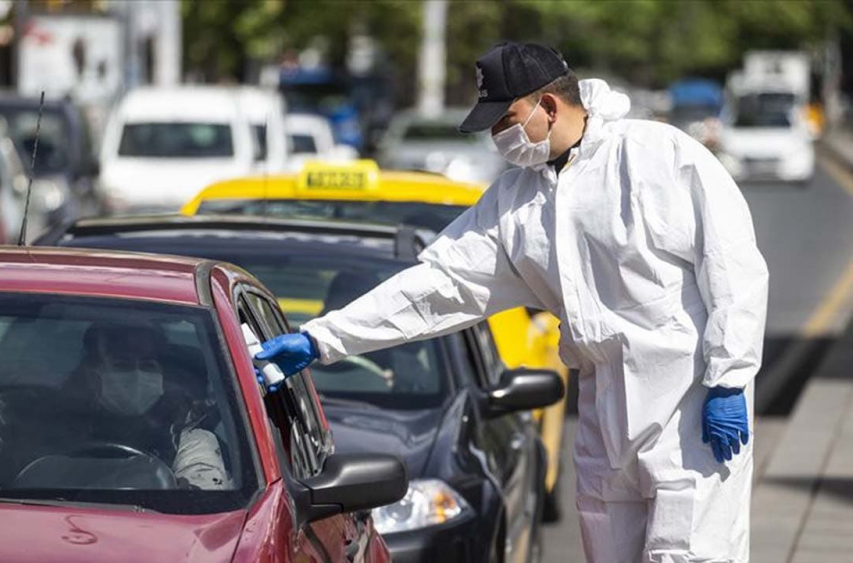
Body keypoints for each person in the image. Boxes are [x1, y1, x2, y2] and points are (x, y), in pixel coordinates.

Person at [256, 41, 767, 562]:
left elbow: (733, 270)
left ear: (548, 106)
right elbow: (436, 287)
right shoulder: (516, 202)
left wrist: (728, 378)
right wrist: (322, 338)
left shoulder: (659, 158)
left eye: (506, 119)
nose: (498, 136)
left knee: (690, 555)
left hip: (689, 406)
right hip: (603, 407)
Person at [67, 322, 231, 491]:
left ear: (161, 375)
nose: (137, 376)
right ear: (93, 374)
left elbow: (202, 500)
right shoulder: (60, 424)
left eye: (148, 365)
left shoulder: (186, 435)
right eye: (122, 365)